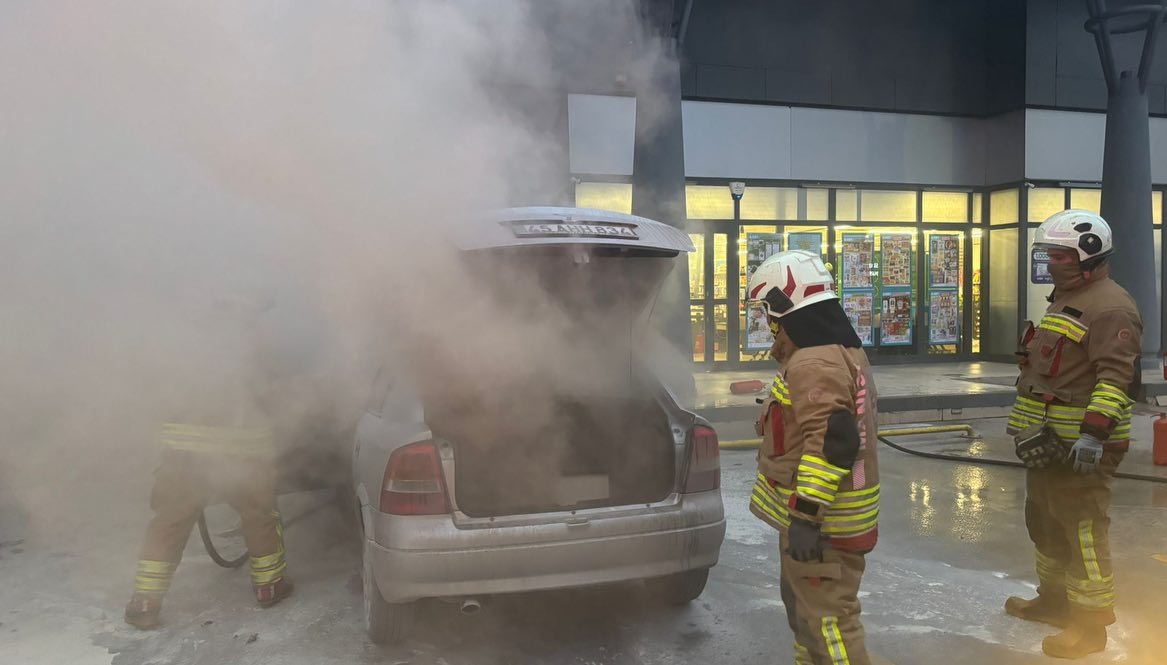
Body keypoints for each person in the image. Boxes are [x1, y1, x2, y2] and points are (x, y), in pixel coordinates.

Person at [1005, 209, 1142, 659]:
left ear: (1089, 256)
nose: (1050, 262)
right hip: (1047, 446)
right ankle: (1054, 601)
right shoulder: (1065, 299)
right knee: (1044, 524)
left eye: (1059, 255)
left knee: (1082, 533)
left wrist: (1093, 437)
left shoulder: (1112, 306)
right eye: (1047, 253)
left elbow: (1115, 378)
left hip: (1079, 449)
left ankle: (1090, 629)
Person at [124, 290, 293, 629]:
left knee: (169, 522)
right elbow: (277, 392)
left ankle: (145, 604)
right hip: (246, 453)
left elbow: (156, 391)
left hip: (185, 457)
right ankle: (269, 587)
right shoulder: (259, 347)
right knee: (259, 516)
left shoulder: (182, 348)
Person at [747, 250, 880, 665]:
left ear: (785, 306)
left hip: (823, 523)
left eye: (768, 311)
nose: (767, 323)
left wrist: (805, 517)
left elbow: (830, 444)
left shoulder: (814, 361)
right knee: (806, 614)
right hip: (829, 517)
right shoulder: (835, 349)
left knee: (828, 623)